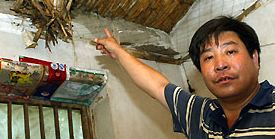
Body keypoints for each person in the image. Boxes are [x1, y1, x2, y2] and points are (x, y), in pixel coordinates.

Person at [94, 16, 275, 139]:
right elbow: (157, 86)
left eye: (230, 51)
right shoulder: (201, 114)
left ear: (255, 58)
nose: (220, 64)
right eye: (209, 57)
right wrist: (118, 51)